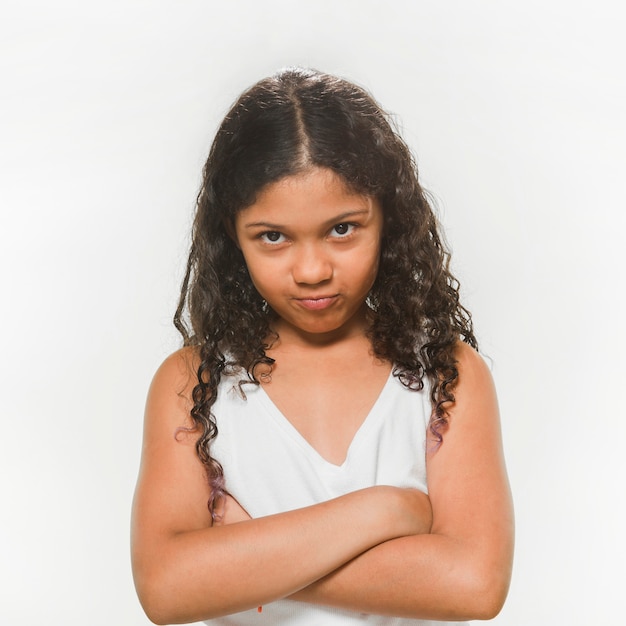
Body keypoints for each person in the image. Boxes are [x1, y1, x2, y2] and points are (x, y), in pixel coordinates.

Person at [131, 68, 514, 626]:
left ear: (389, 218)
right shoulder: (193, 383)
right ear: (231, 238)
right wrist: (385, 511)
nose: (312, 271)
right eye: (273, 237)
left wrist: (242, 562)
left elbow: (473, 585)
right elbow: (166, 589)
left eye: (342, 229)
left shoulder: (447, 377)